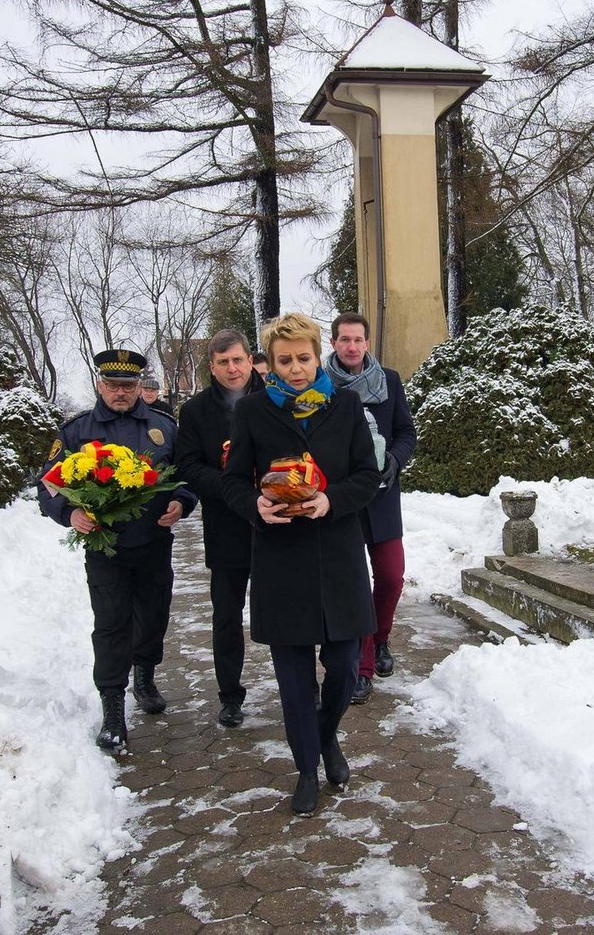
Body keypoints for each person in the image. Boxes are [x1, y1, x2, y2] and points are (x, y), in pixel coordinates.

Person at [221, 313, 381, 815]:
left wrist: (332, 500)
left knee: (344, 668)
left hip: (338, 556)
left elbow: (367, 474)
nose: (295, 369)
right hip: (281, 561)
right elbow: (232, 480)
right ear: (271, 364)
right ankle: (307, 769)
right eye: (285, 360)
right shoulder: (253, 411)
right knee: (293, 681)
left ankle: (325, 736)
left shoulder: (346, 404)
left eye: (304, 358)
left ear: (318, 356)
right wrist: (256, 505)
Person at [37, 348, 196, 752]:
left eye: (128, 385)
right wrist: (70, 512)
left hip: (154, 543)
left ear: (139, 386)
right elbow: (48, 486)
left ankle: (145, 677)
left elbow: (186, 475)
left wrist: (181, 502)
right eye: (112, 385)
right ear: (99, 385)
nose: (120, 392)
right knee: (111, 623)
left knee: (154, 615)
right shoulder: (77, 431)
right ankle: (112, 708)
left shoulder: (164, 427)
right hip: (105, 548)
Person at [174, 329, 265, 729]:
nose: (232, 368)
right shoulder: (195, 411)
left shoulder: (275, 398)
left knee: (287, 610)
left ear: (250, 361)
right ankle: (230, 695)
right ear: (211, 367)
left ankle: (301, 686)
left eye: (238, 360)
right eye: (223, 362)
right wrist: (233, 487)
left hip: (276, 523)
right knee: (227, 615)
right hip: (226, 525)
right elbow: (188, 466)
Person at [325, 312, 417, 705]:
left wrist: (395, 459)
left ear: (367, 343)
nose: (352, 346)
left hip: (382, 498)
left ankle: (380, 639)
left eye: (358, 339)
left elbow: (406, 432)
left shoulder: (389, 381)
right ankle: (362, 669)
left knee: (391, 577)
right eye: (344, 339)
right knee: (356, 586)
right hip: (343, 499)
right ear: (333, 343)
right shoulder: (321, 385)